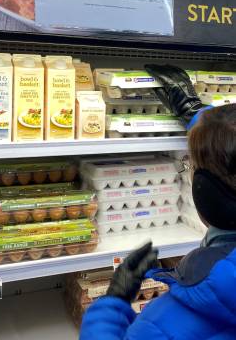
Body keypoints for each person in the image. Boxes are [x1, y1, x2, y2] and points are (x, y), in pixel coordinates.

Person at [80, 64, 236, 340]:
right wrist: (199, 116)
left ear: (205, 193)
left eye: (191, 169)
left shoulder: (169, 321)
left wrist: (114, 302)